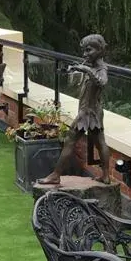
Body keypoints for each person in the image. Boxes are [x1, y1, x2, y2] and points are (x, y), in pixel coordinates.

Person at [38, 34, 111, 185]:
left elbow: (102, 82)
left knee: (70, 140)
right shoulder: (92, 66)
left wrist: (86, 70)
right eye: (84, 51)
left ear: (100, 50)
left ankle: (56, 174)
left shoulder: (101, 68)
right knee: (100, 142)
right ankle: (105, 176)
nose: (85, 54)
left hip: (88, 113)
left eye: (88, 50)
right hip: (90, 111)